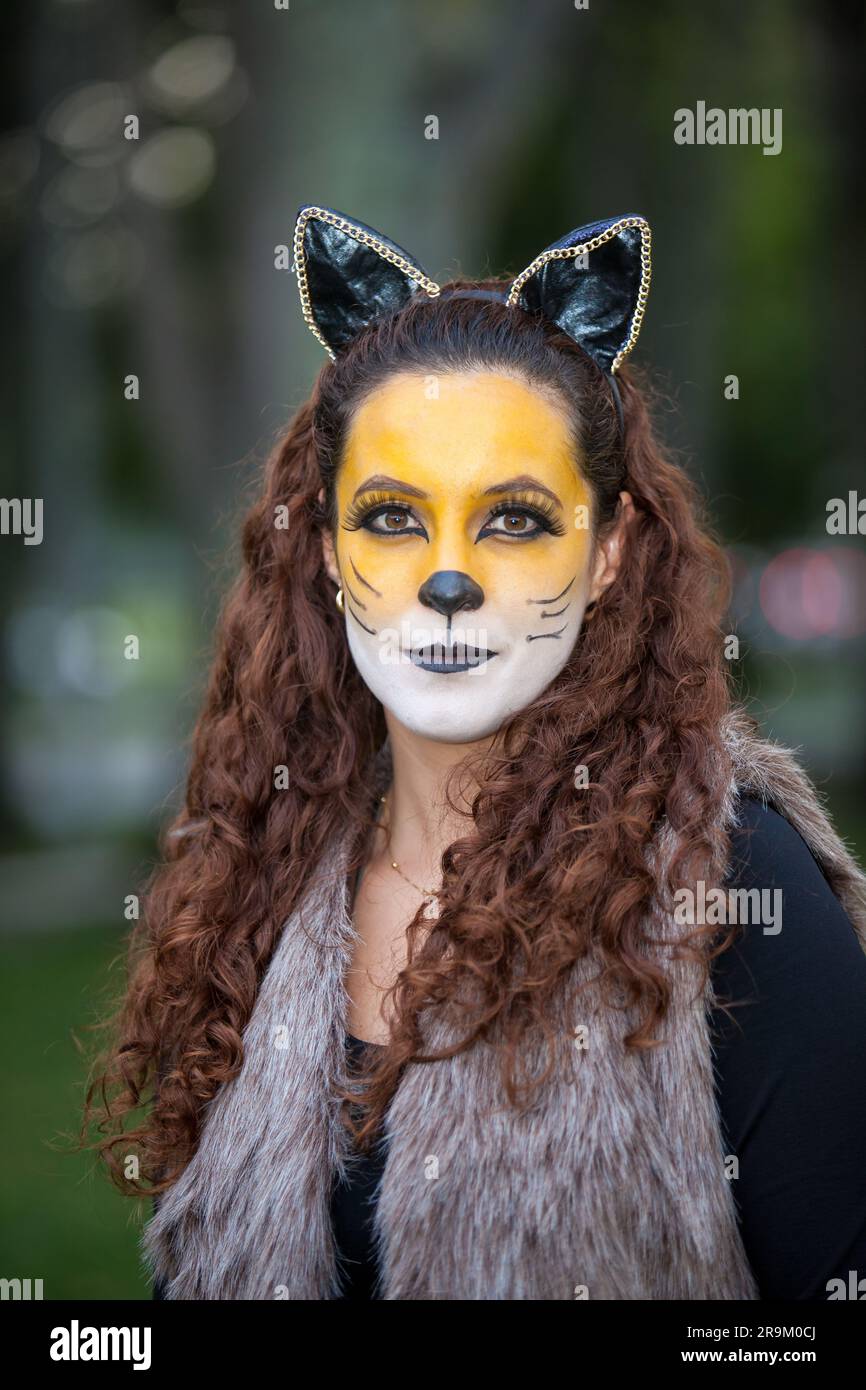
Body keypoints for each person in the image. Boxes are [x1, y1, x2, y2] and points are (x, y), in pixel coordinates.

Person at [84, 207, 866, 1300]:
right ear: (323, 549)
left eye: (511, 520)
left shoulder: (729, 881)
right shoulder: (259, 885)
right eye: (394, 519)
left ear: (609, 551)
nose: (447, 577)